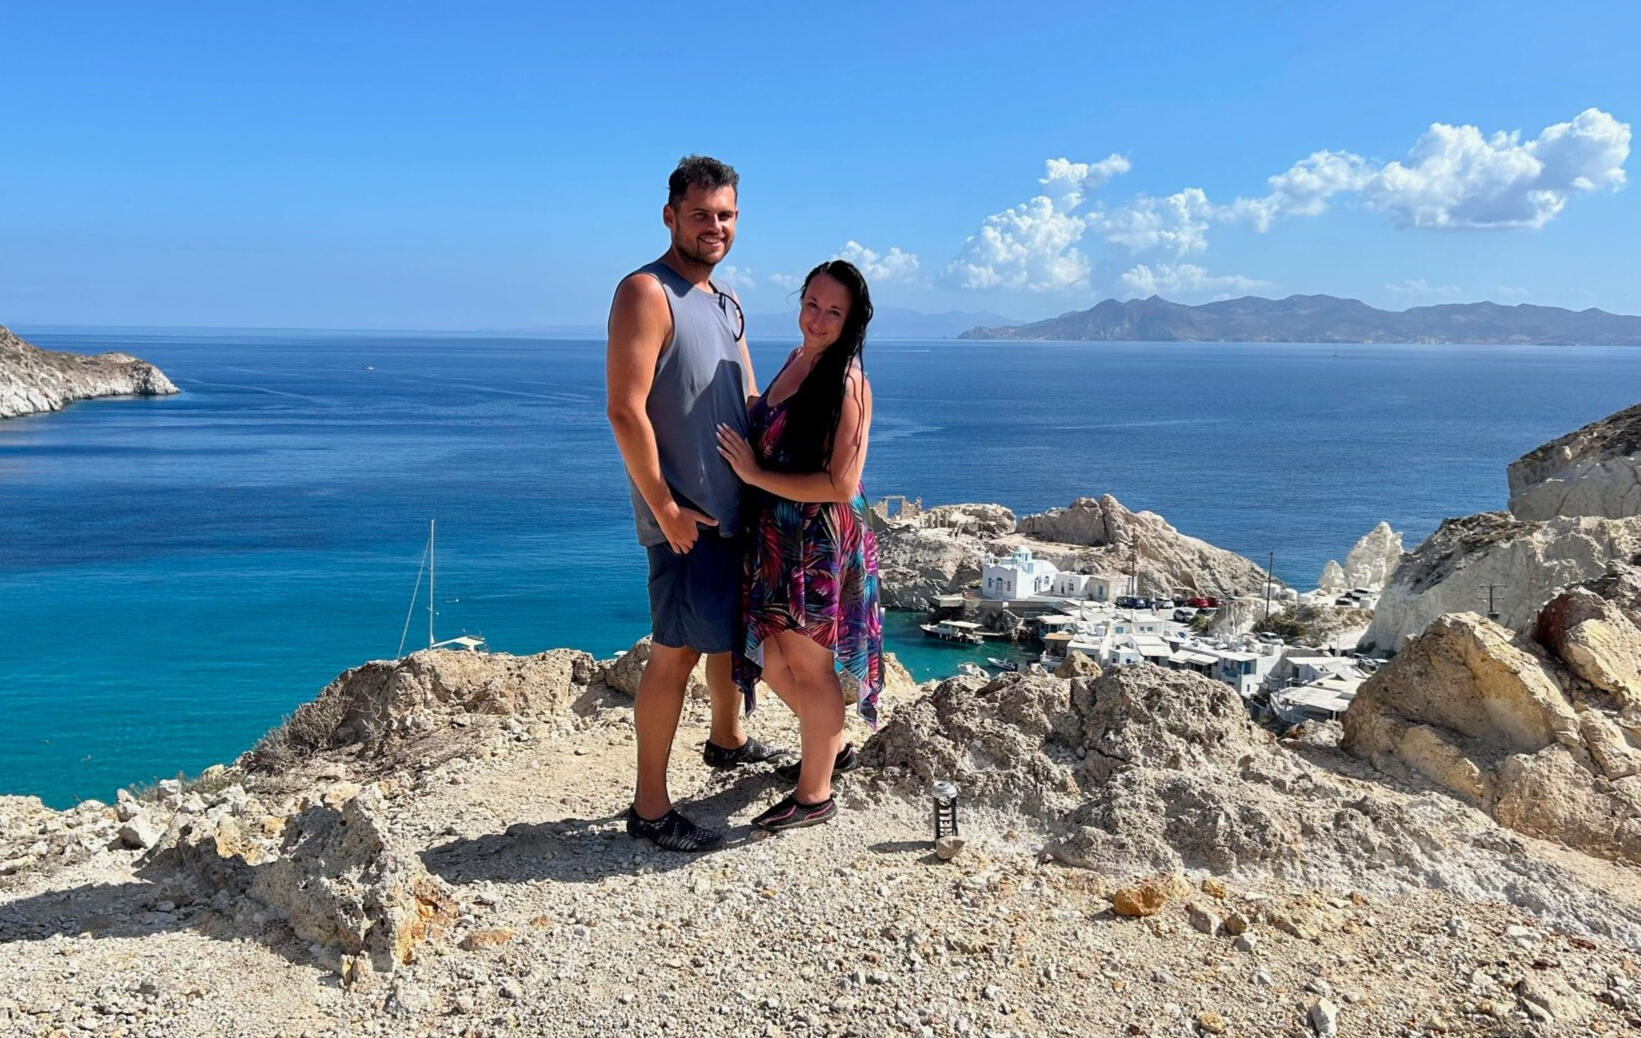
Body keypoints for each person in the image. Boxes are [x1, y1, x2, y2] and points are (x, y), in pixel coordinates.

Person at [605, 155, 782, 852]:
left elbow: (747, 399)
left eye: (727, 215)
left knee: (729, 639)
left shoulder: (724, 299)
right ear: (670, 215)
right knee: (673, 654)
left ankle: (727, 740)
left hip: (736, 509)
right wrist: (666, 508)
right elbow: (624, 411)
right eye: (702, 213)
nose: (715, 226)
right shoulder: (645, 292)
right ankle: (650, 808)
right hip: (686, 518)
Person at [716, 259, 885, 833]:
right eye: (811, 303)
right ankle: (828, 746)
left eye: (833, 311)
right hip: (776, 540)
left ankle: (815, 795)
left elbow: (840, 482)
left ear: (852, 320)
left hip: (815, 546)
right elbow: (762, 405)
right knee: (774, 661)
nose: (817, 318)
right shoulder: (795, 360)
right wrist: (734, 337)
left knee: (812, 672)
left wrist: (754, 475)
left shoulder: (848, 383)